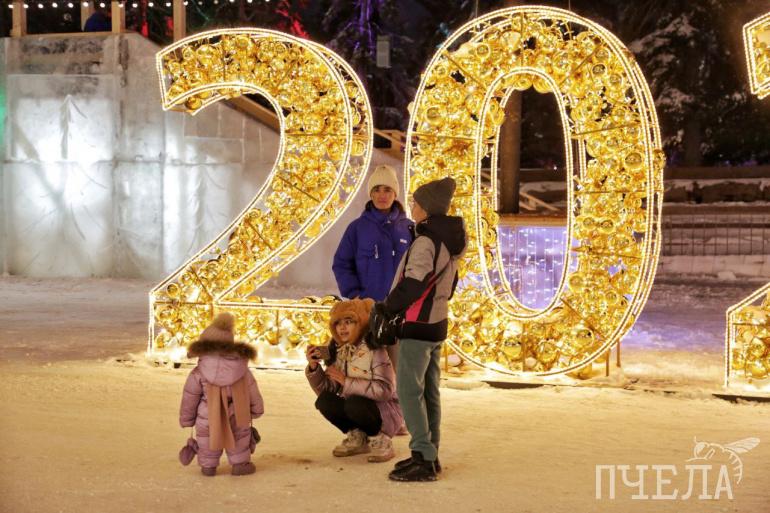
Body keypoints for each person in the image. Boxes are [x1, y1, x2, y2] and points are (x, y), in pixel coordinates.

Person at [381, 177, 467, 482]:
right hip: (436, 323)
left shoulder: (425, 241)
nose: (412, 207)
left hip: (417, 324)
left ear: (427, 209)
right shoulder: (449, 241)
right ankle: (430, 454)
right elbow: (450, 285)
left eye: (415, 203)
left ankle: (422, 456)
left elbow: (414, 282)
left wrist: (387, 308)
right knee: (429, 391)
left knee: (408, 391)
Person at [332, 164, 414, 369]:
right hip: (367, 314)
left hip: (401, 315)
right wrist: (356, 295)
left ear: (395, 193)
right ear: (370, 194)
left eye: (387, 189)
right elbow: (341, 264)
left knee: (398, 370)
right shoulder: (357, 228)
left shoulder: (409, 229)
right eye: (377, 189)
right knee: (366, 369)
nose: (382, 195)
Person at [305, 298, 404, 463]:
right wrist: (314, 368)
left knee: (354, 403)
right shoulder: (338, 350)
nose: (342, 327)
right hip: (356, 407)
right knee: (324, 401)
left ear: (360, 323)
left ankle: (380, 439)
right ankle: (358, 436)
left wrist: (347, 382)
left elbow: (385, 390)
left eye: (348, 321)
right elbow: (327, 390)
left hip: (384, 411)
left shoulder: (375, 349)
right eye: (338, 323)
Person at [179, 313, 264, 476]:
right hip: (237, 412)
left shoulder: (198, 373)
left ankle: (208, 467)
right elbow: (252, 391)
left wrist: (187, 419)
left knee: (208, 439)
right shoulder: (243, 370)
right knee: (239, 438)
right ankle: (240, 464)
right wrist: (256, 410)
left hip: (208, 415)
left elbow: (190, 397)